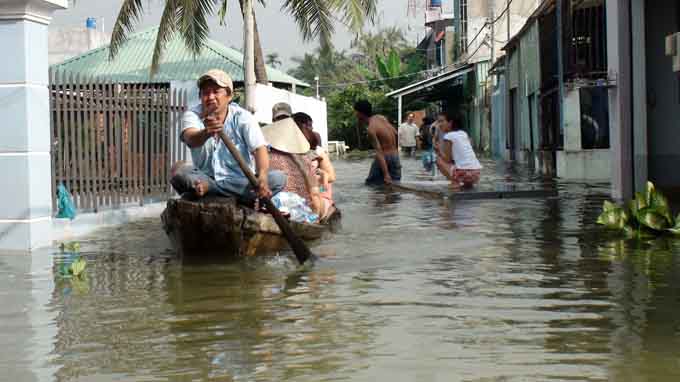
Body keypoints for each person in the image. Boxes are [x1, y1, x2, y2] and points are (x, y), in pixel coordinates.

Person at [170, 69, 286, 203]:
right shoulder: (193, 115)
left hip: (239, 180)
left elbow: (259, 149)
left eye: (216, 91)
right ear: (200, 97)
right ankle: (215, 189)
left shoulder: (242, 117)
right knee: (179, 173)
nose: (211, 97)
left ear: (229, 96)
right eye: (206, 93)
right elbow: (190, 139)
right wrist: (206, 132)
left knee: (278, 178)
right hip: (204, 177)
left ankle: (212, 190)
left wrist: (263, 177)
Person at [263, 118, 334, 220]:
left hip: (276, 206)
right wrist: (315, 218)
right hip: (300, 207)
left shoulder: (264, 157)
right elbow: (315, 194)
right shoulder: (304, 160)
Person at [292, 112, 336, 211]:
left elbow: (331, 177)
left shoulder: (318, 151)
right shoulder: (289, 149)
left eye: (310, 126)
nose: (311, 129)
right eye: (309, 126)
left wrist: (318, 178)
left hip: (319, 193)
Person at [354, 99, 401, 185]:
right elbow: (396, 133)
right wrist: (395, 150)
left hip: (385, 157)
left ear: (360, 113)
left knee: (371, 185)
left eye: (356, 112)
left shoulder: (371, 130)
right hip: (395, 157)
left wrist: (386, 174)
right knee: (395, 185)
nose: (355, 115)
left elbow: (379, 152)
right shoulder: (381, 117)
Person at [435, 110, 482, 191]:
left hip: (463, 173)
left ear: (450, 122)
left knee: (438, 160)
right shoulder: (463, 133)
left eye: (442, 121)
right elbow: (463, 154)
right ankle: (468, 184)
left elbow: (447, 159)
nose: (439, 125)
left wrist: (438, 150)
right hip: (476, 174)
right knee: (458, 163)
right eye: (438, 122)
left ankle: (455, 182)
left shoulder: (448, 136)